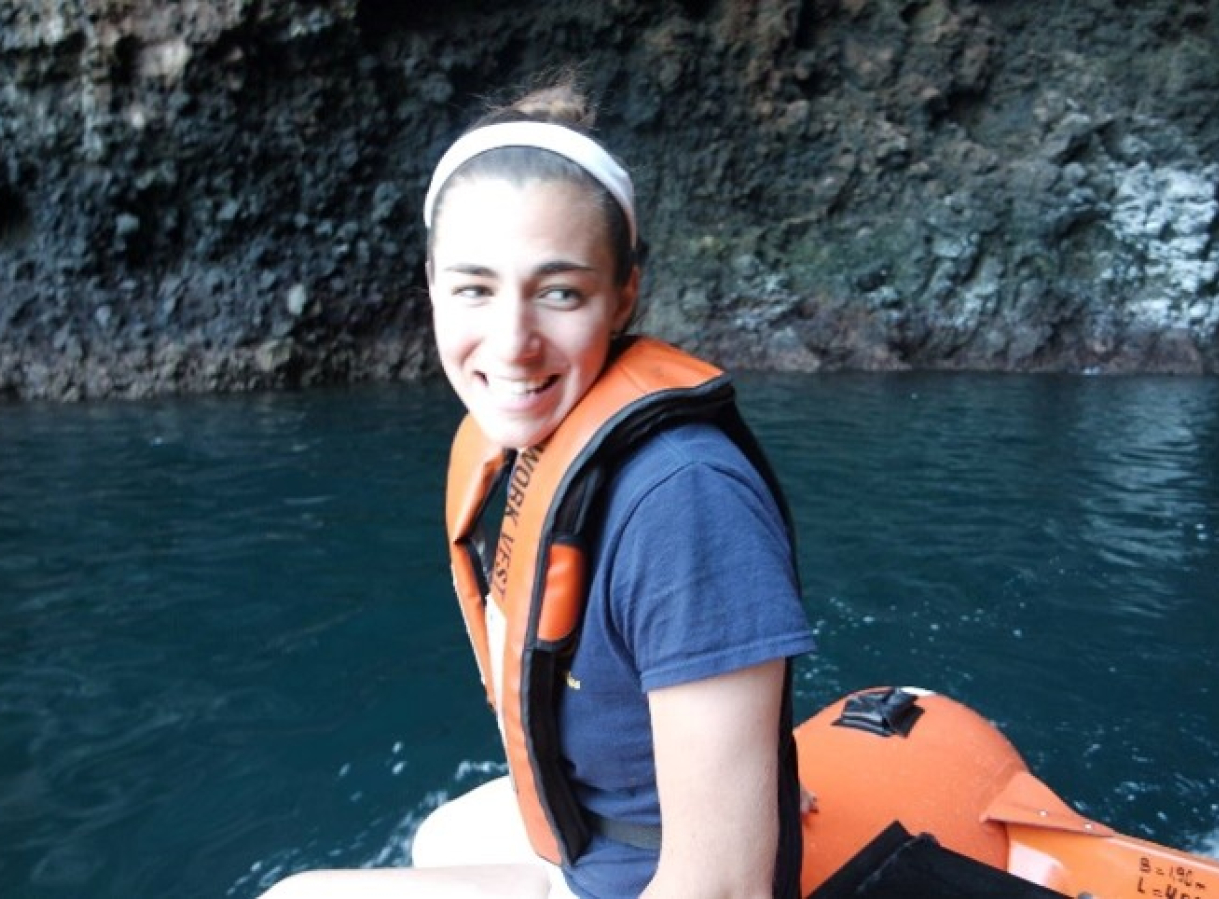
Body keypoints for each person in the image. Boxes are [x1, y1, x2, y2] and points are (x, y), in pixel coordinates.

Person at [261, 76, 814, 899]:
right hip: (597, 841)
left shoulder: (686, 502)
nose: (514, 344)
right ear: (432, 286)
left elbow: (723, 889)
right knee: (439, 833)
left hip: (647, 882)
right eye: (475, 287)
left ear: (626, 291)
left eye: (559, 292)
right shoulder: (538, 440)